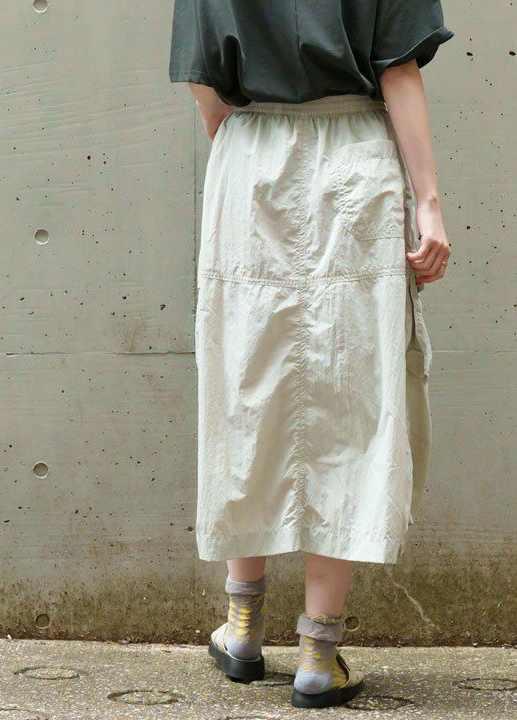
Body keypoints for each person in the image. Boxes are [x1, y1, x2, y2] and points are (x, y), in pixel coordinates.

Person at [169, 0, 453, 709]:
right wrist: (428, 203)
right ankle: (318, 656)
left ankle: (242, 626)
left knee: (247, 389)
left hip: (250, 157)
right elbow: (399, 70)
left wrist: (250, 134)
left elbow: (205, 85)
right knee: (348, 398)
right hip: (353, 158)